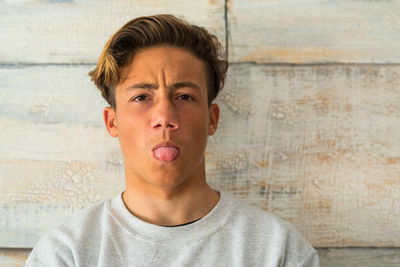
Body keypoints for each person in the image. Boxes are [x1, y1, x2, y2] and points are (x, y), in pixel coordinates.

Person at [26, 14, 319, 266]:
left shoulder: (279, 251)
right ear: (112, 122)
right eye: (142, 97)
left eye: (185, 97)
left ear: (212, 119)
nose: (165, 116)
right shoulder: (65, 254)